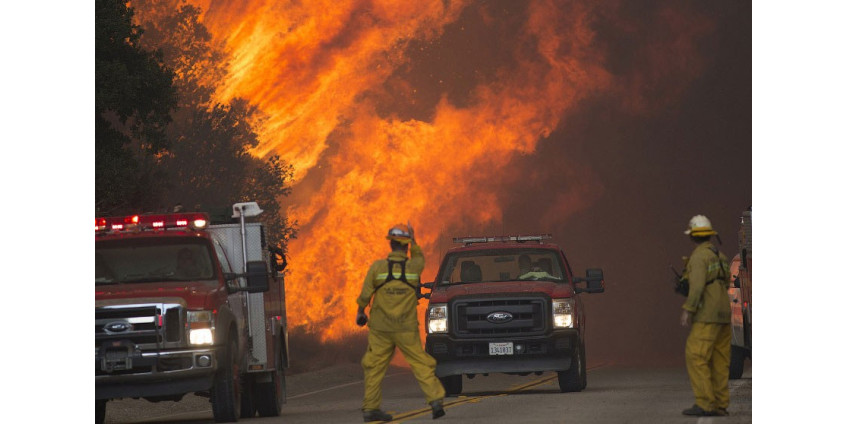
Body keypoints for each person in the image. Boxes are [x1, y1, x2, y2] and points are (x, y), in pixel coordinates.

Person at [355, 223, 446, 422]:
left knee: (374, 366)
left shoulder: (378, 268)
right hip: (405, 328)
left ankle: (371, 409)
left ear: (391, 246)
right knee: (420, 363)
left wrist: (361, 312)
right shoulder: (414, 267)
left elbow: (365, 295)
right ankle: (436, 400)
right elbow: (420, 257)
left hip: (381, 328)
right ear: (406, 247)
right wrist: (413, 241)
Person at [679, 215, 731, 417]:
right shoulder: (721, 255)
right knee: (720, 360)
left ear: (693, 236)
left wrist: (688, 310)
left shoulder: (699, 256)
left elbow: (698, 286)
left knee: (696, 356)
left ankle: (706, 403)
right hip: (724, 314)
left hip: (707, 315)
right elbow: (725, 283)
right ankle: (720, 404)